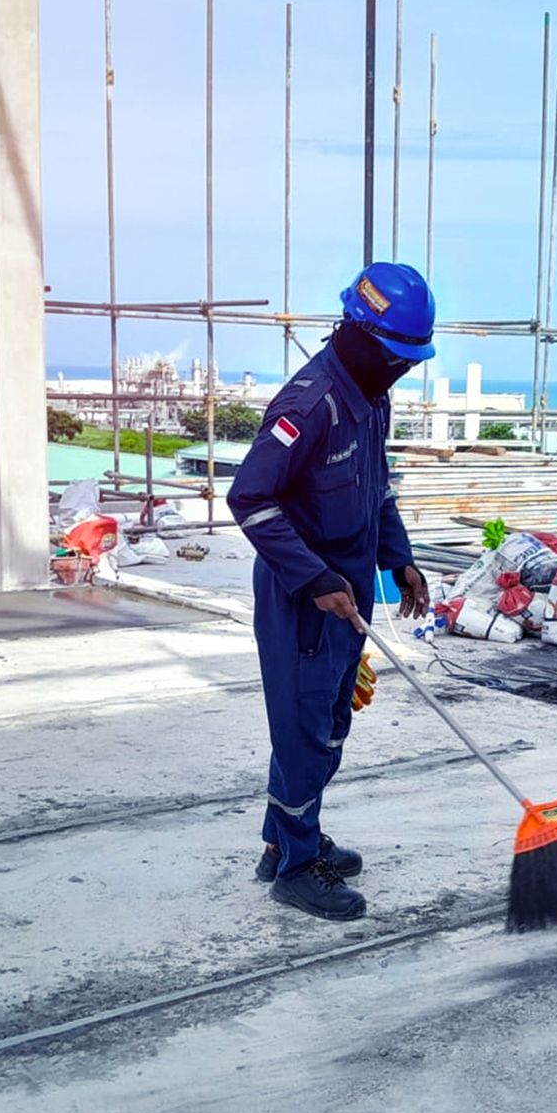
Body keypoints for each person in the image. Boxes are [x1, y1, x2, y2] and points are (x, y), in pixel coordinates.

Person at [227, 262, 435, 920]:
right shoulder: (308, 405)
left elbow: (377, 489)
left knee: (329, 724)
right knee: (304, 733)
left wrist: (399, 560)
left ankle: (284, 839)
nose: (403, 369)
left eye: (410, 360)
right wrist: (313, 577)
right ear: (361, 333)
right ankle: (295, 868)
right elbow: (251, 498)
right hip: (304, 599)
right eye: (396, 356)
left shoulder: (371, 399)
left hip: (349, 597)